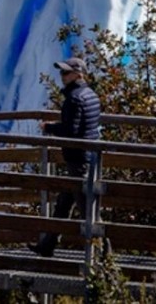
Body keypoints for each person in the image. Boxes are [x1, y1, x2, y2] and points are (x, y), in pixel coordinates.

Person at [29, 56, 101, 257]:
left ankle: (105, 257)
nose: (62, 76)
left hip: (77, 160)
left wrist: (49, 127)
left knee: (88, 210)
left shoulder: (74, 98)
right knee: (63, 204)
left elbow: (72, 129)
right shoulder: (91, 95)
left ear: (78, 74)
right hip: (88, 157)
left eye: (66, 72)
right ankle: (47, 246)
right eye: (62, 72)